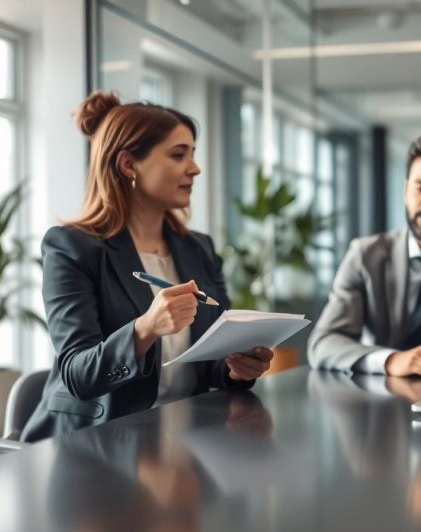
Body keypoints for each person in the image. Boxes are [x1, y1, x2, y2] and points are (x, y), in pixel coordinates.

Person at [21, 91, 273, 442]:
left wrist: (236, 368)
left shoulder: (198, 249)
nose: (195, 168)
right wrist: (145, 329)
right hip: (94, 443)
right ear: (128, 165)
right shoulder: (72, 248)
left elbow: (213, 357)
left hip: (183, 437)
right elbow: (78, 375)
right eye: (178, 155)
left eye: (193, 154)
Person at [308, 131, 421, 378]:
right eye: (420, 188)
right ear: (405, 189)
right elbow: (323, 343)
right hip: (378, 394)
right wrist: (390, 360)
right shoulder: (365, 255)